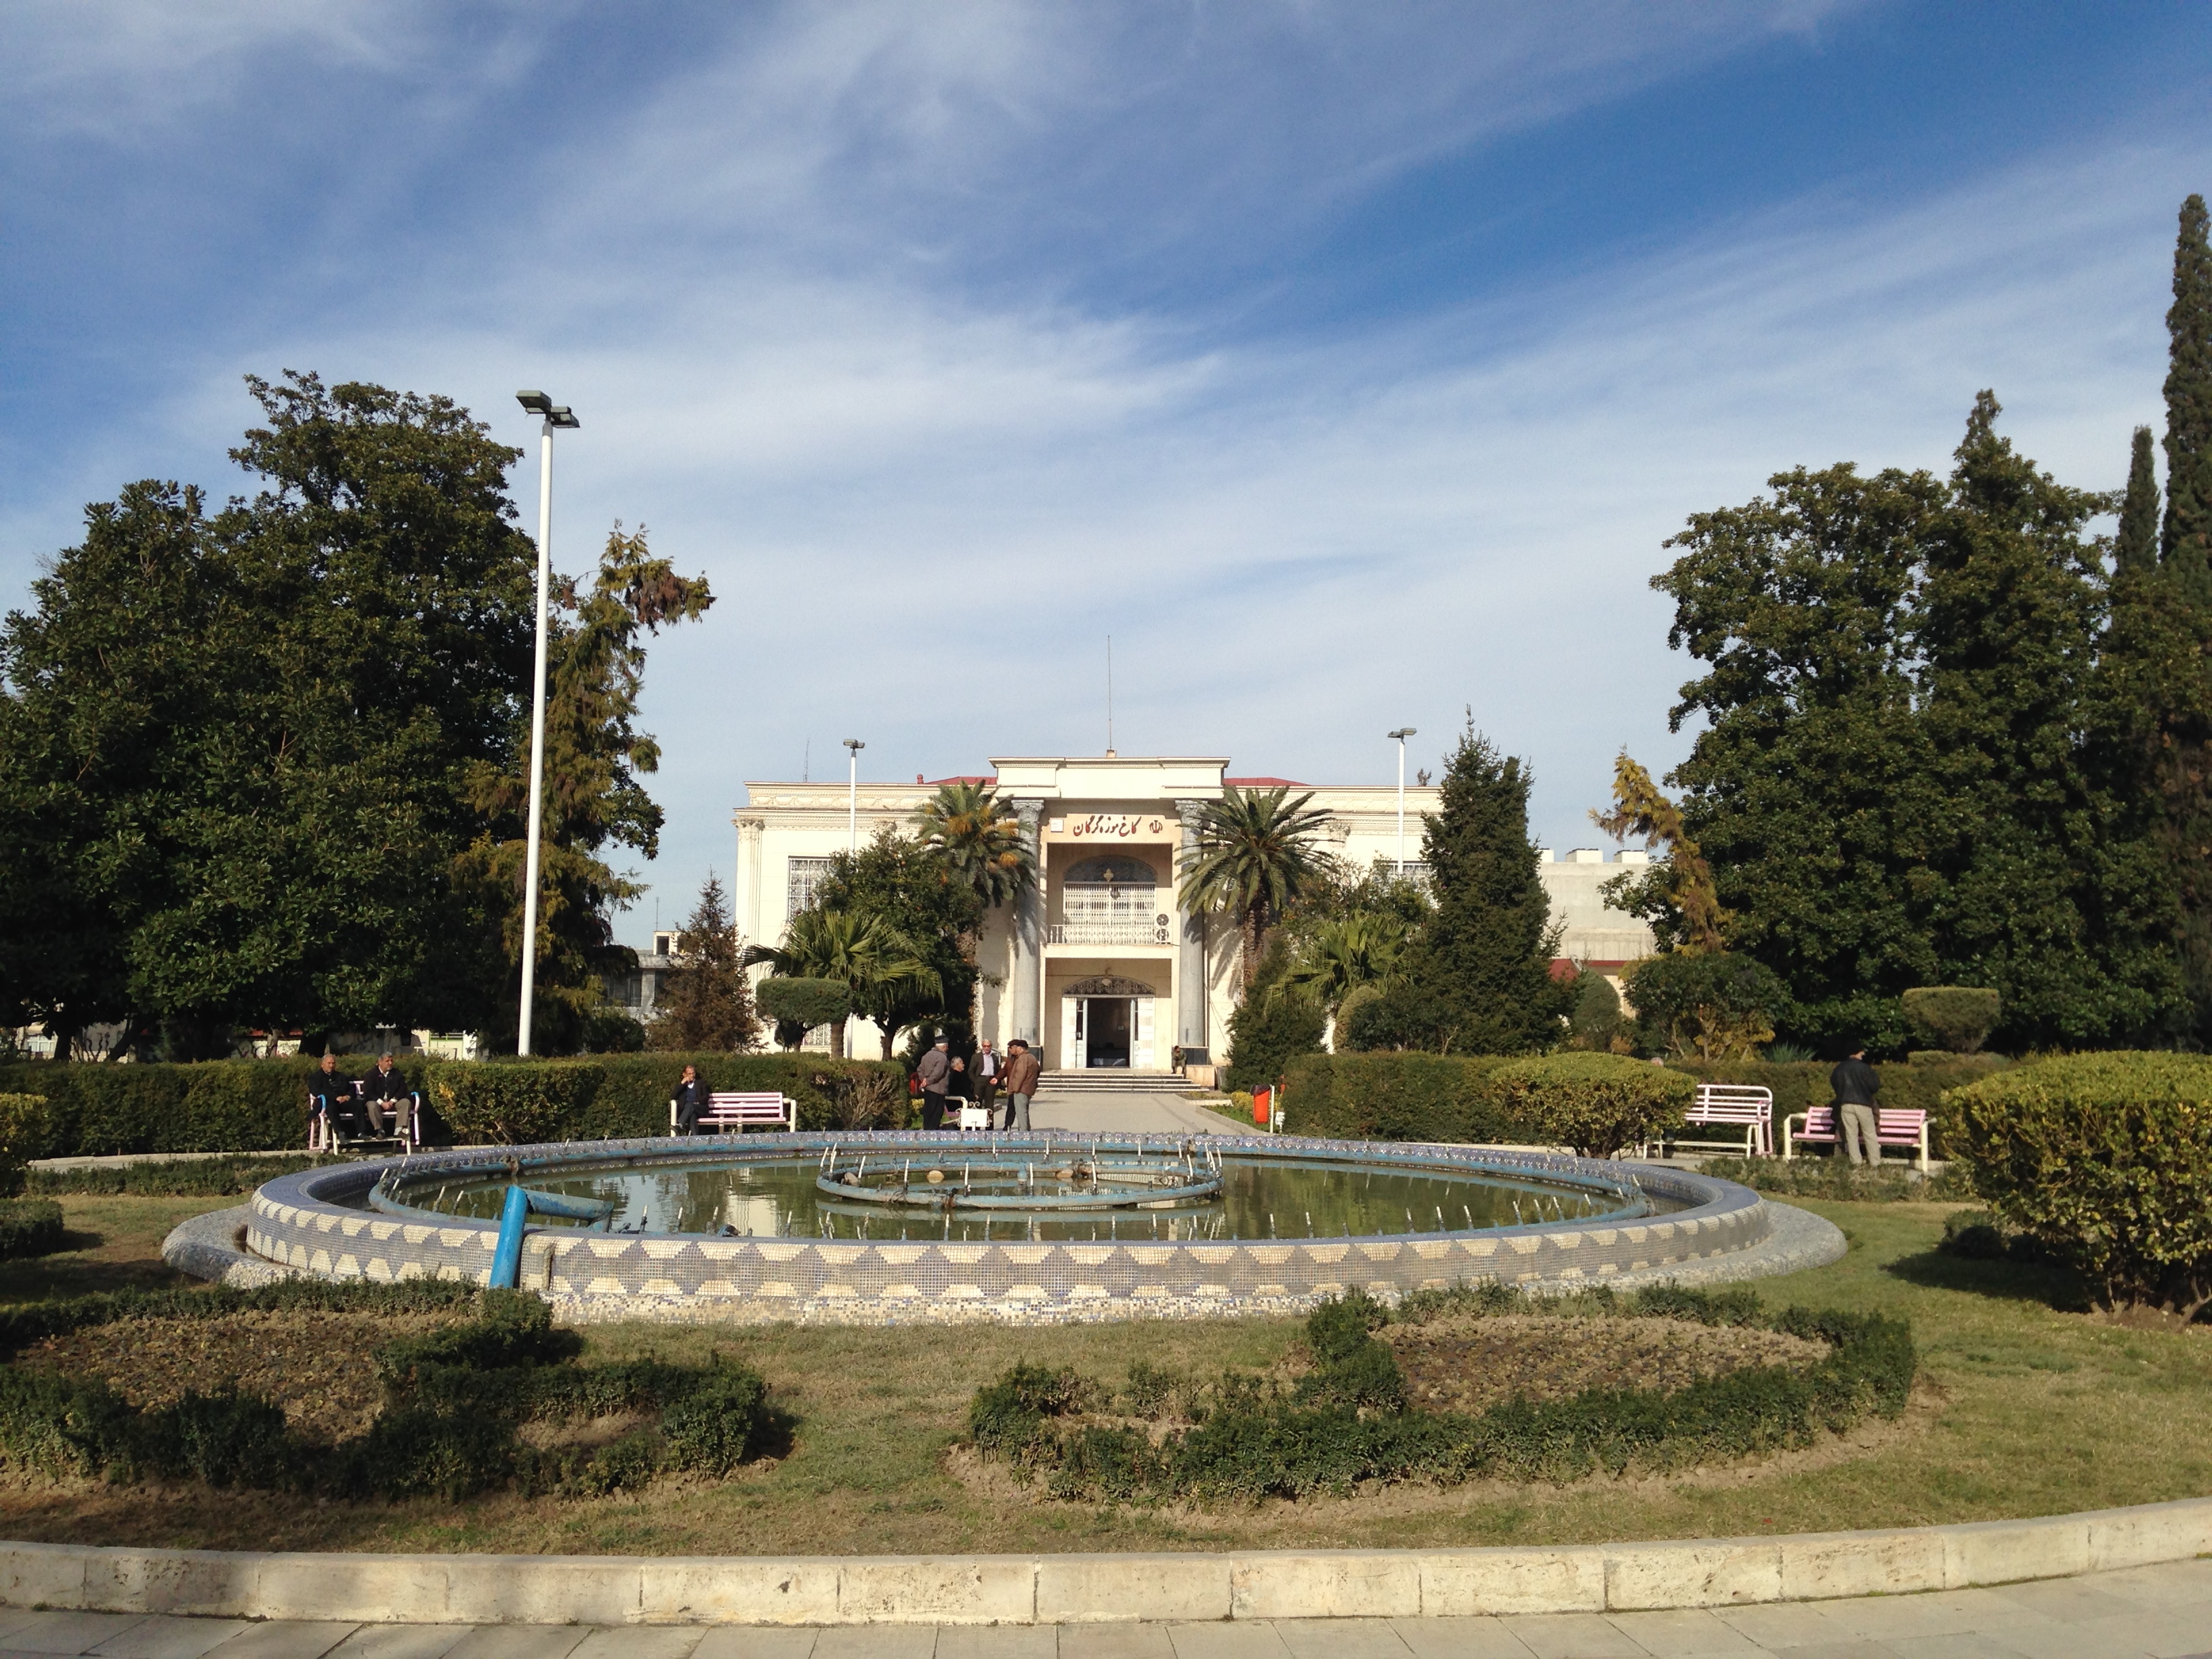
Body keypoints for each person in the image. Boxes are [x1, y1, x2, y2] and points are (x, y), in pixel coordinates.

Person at [1830, 1044, 1881, 1166]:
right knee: (1869, 1133)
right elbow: (1875, 1086)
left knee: (1851, 1135)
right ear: (1857, 1052)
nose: (1863, 1054)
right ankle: (1875, 1162)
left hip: (1846, 1104)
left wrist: (1841, 1094)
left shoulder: (1839, 1068)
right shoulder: (1865, 1068)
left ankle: (1856, 1162)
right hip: (1863, 1103)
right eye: (1861, 1052)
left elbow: (1834, 1083)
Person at [307, 1052, 361, 1143]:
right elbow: (316, 1091)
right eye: (329, 1063)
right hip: (328, 1102)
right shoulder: (316, 1077)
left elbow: (351, 1088)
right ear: (322, 1064)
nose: (331, 1066)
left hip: (343, 1102)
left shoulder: (340, 1076)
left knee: (358, 1104)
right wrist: (336, 1097)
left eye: (333, 1063)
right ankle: (340, 1133)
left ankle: (361, 1132)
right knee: (331, 1107)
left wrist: (348, 1096)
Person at [359, 1052, 412, 1137]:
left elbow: (403, 1089)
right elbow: (368, 1092)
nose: (390, 1063)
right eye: (387, 1061)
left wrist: (392, 1101)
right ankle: (380, 1131)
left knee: (405, 1102)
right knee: (372, 1105)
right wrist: (382, 1103)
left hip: (393, 1102)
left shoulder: (397, 1074)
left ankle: (399, 1130)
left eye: (391, 1061)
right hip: (377, 1102)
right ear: (380, 1062)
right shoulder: (371, 1074)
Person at [999, 1037, 1040, 1132]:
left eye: (1013, 1047)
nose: (1011, 1050)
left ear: (1019, 1048)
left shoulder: (1023, 1058)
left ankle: (1023, 1133)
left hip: (1021, 1090)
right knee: (1024, 1112)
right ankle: (1026, 1131)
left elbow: (1020, 1075)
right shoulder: (1032, 1057)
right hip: (1028, 1089)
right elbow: (1038, 1071)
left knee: (1021, 1112)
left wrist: (1015, 1089)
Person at [915, 1033, 953, 1130]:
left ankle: (926, 1131)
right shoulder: (942, 1057)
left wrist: (923, 1080)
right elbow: (938, 1073)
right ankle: (933, 1134)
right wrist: (928, 1081)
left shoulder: (927, 1055)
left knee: (928, 1112)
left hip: (928, 1089)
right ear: (945, 1046)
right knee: (936, 1113)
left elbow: (919, 1069)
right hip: (938, 1089)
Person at [670, 1064, 707, 1136]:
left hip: (700, 1108)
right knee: (692, 1116)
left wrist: (698, 1101)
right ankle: (696, 1139)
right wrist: (682, 1083)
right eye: (689, 1074)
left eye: (693, 1073)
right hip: (688, 1111)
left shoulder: (701, 1083)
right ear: (684, 1075)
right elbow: (673, 1096)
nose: (692, 1076)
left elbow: (706, 1096)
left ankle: (680, 1125)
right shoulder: (682, 1086)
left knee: (691, 1106)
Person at [972, 1040, 1001, 1122]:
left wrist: (996, 1081)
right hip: (980, 1080)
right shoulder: (976, 1057)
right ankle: (976, 1125)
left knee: (990, 1105)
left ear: (991, 1046)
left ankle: (989, 1126)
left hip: (990, 1081)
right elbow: (971, 1071)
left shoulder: (994, 1057)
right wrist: (976, 1081)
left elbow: (997, 1070)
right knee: (977, 1103)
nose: (987, 1048)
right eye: (985, 1046)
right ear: (982, 1046)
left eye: (988, 1046)